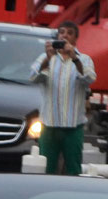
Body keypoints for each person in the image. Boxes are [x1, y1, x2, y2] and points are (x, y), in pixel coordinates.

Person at [32, 21, 96, 175]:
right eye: (61, 32)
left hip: (73, 126)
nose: (64, 35)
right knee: (46, 168)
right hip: (49, 125)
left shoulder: (84, 59)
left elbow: (89, 78)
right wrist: (48, 59)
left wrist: (74, 58)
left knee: (73, 169)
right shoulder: (45, 58)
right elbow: (33, 77)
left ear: (75, 39)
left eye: (69, 33)